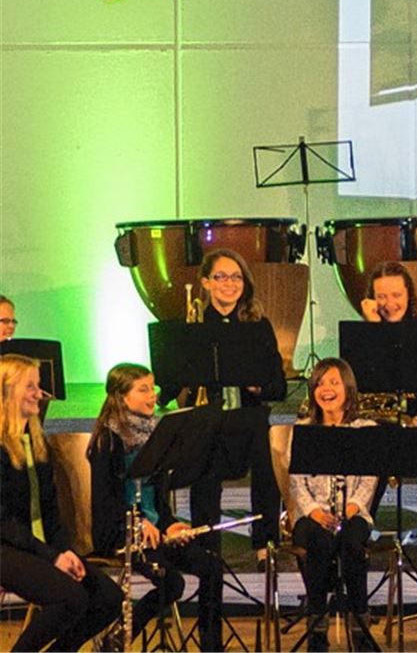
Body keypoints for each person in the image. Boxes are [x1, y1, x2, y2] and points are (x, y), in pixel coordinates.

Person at [87, 362, 219, 647]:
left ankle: (210, 643)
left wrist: (170, 523)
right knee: (172, 582)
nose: (153, 395)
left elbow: (157, 497)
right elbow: (105, 503)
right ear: (122, 397)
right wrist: (136, 521)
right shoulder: (107, 440)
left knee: (211, 565)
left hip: (153, 529)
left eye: (153, 388)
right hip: (120, 530)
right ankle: (118, 637)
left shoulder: (157, 432)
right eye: (143, 389)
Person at [0, 353, 121, 652]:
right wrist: (51, 557)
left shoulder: (35, 442)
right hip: (6, 545)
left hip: (34, 546)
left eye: (38, 386)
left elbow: (52, 511)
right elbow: (3, 522)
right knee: (70, 598)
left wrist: (65, 550)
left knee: (108, 598)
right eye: (30, 386)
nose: (39, 394)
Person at [184, 248, 284, 572]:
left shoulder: (258, 325)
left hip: (247, 416)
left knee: (265, 455)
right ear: (206, 283)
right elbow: (175, 388)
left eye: (236, 276)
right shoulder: (194, 324)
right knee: (203, 463)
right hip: (210, 416)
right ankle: (206, 547)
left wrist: (257, 386)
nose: (229, 283)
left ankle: (264, 544)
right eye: (221, 276)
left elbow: (278, 388)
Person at [357, 261, 417, 536]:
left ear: (409, 294)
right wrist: (373, 328)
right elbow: (365, 387)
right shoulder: (364, 335)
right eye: (382, 296)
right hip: (380, 424)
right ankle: (358, 533)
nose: (389, 303)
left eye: (396, 295)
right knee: (370, 452)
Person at [289, 358, 378, 652]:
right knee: (317, 540)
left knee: (351, 541)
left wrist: (351, 507)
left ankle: (359, 622)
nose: (326, 389)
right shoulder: (302, 429)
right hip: (312, 513)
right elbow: (296, 481)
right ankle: (317, 623)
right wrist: (314, 511)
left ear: (347, 388)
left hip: (353, 511)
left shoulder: (365, 429)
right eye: (320, 384)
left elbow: (369, 479)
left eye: (333, 382)